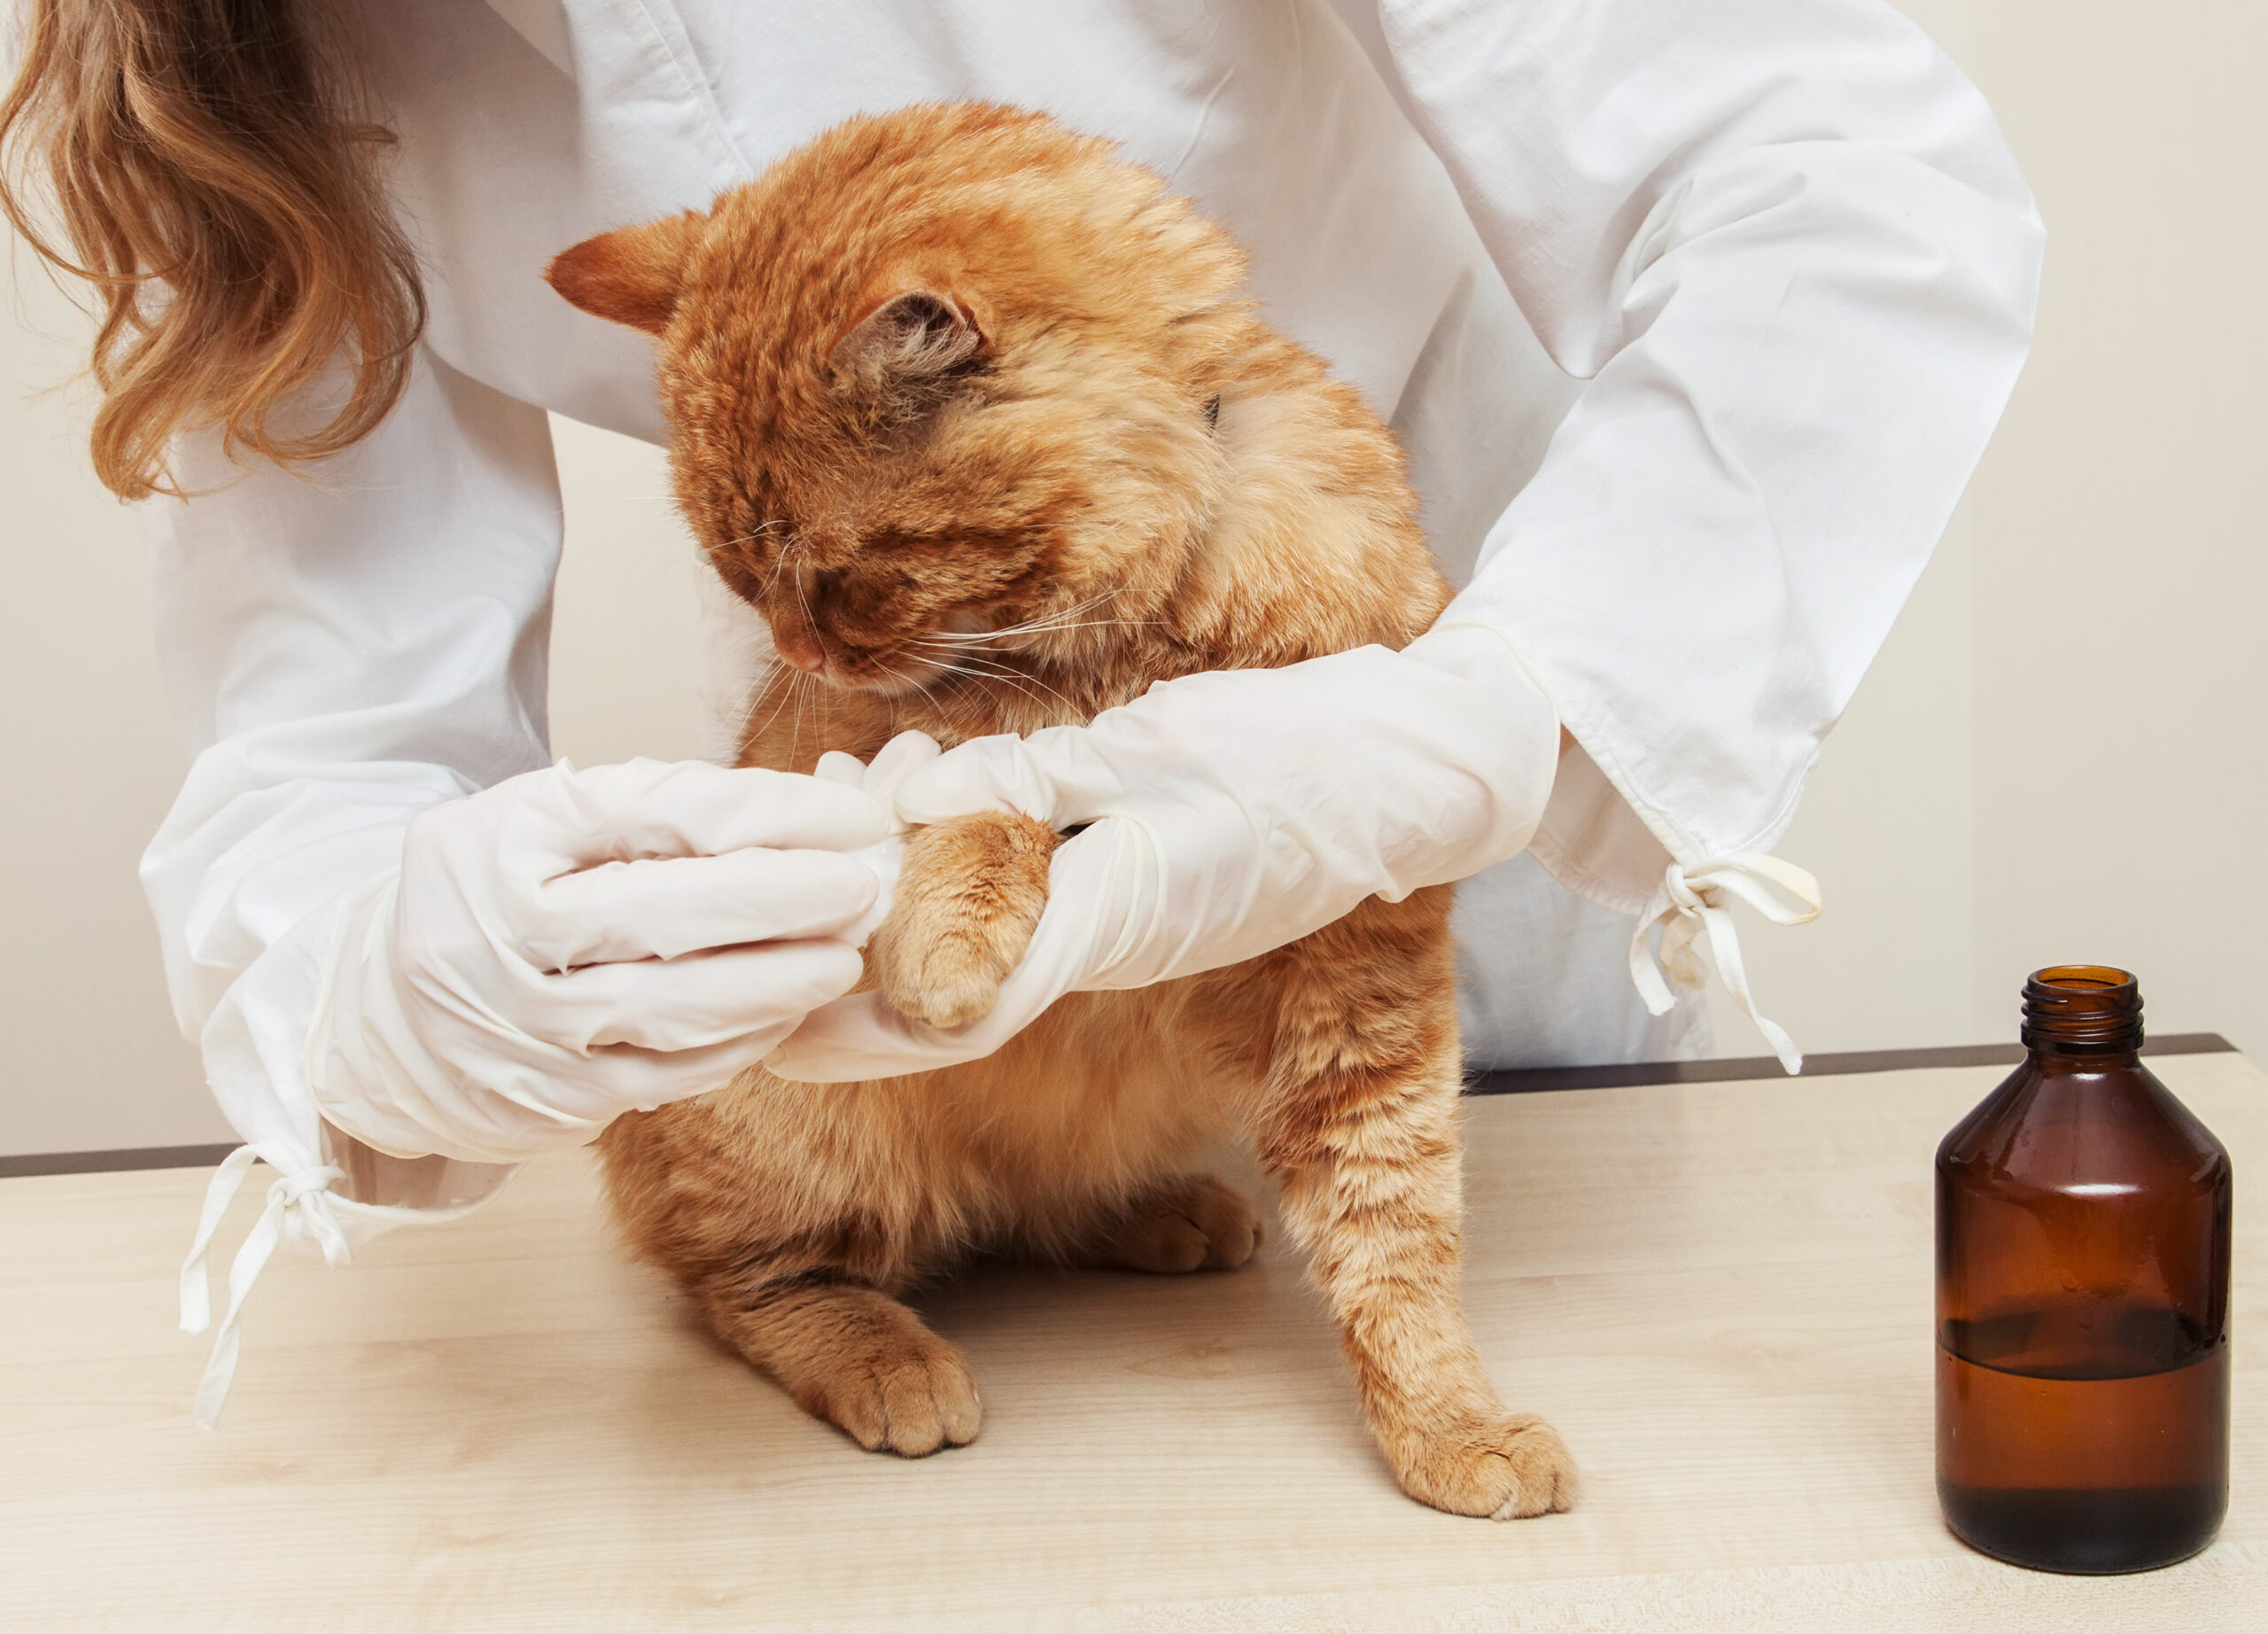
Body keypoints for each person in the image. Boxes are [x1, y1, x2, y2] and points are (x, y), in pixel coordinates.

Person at [1, 0, 2041, 1425]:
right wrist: (379, 979)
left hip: (1420, 668)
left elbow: (1838, 174)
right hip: (933, 751)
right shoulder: (228, 60)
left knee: (1499, 1266)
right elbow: (329, 709)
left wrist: (1504, 715)